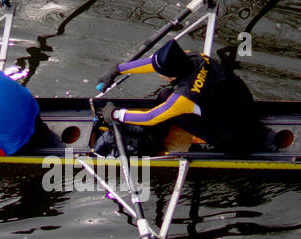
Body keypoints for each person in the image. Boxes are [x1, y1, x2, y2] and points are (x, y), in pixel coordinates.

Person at [97, 39, 264, 155]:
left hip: (233, 140)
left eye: (160, 73)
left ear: (172, 76)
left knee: (164, 98)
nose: (157, 73)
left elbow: (151, 117)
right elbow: (151, 63)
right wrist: (117, 69)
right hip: (246, 108)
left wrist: (114, 114)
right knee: (170, 98)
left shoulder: (185, 97)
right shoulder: (196, 57)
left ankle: (152, 142)